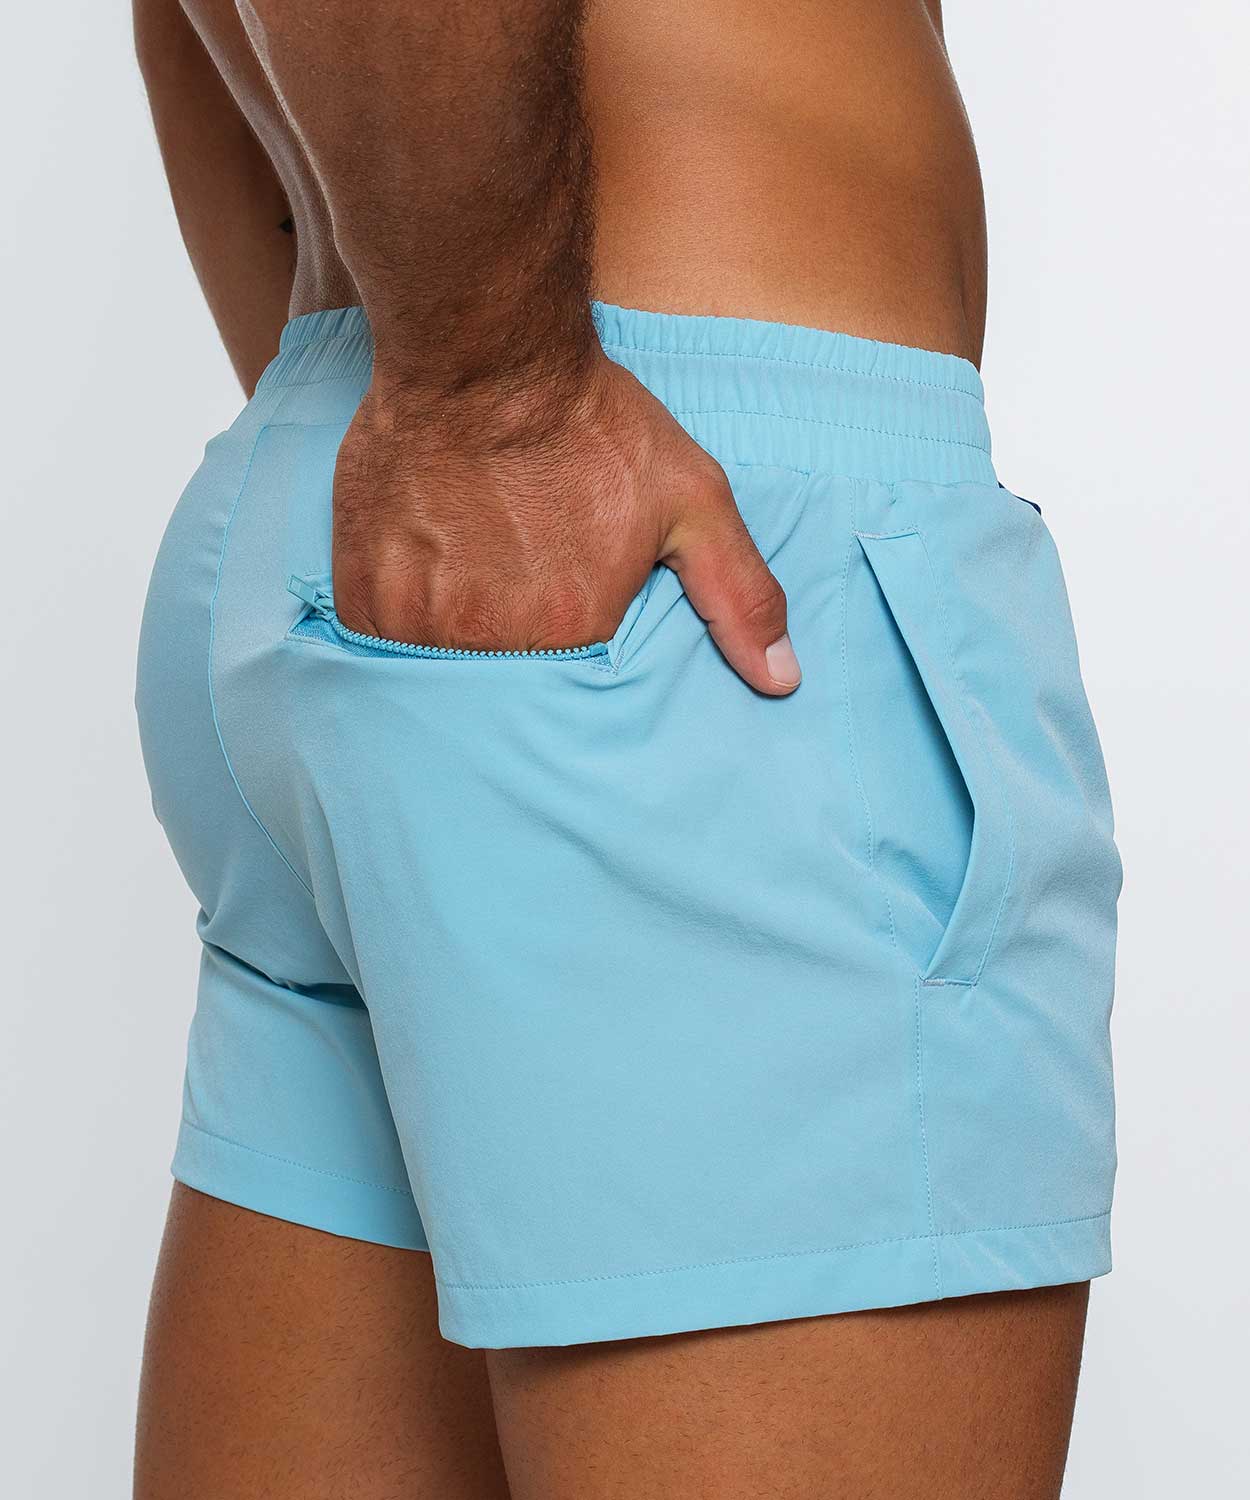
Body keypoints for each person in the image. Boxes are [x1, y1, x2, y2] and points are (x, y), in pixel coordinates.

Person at [131, 1, 1120, 1495]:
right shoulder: (524, 420)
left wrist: (392, 440)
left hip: (365, 478)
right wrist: (490, 405)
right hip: (671, 546)